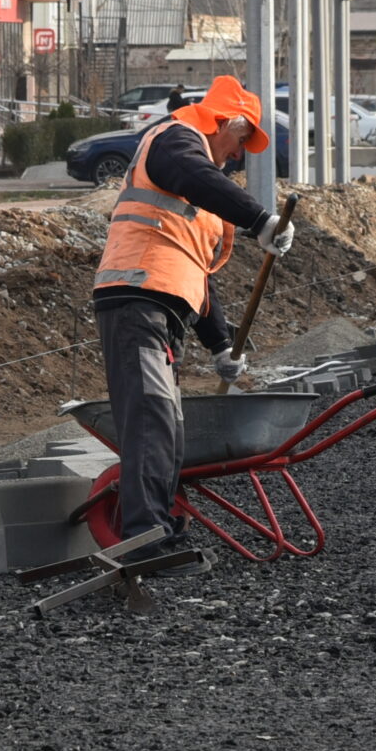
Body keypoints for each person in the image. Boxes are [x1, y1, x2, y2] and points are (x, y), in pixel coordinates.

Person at [93, 74, 291, 561]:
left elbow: (199, 273)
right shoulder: (176, 140)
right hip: (135, 296)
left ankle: (158, 530)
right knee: (151, 420)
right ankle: (145, 540)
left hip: (160, 302)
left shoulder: (202, 186)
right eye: (242, 139)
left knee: (166, 424)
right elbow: (194, 175)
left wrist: (220, 343)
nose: (240, 154)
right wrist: (259, 218)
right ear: (228, 120)